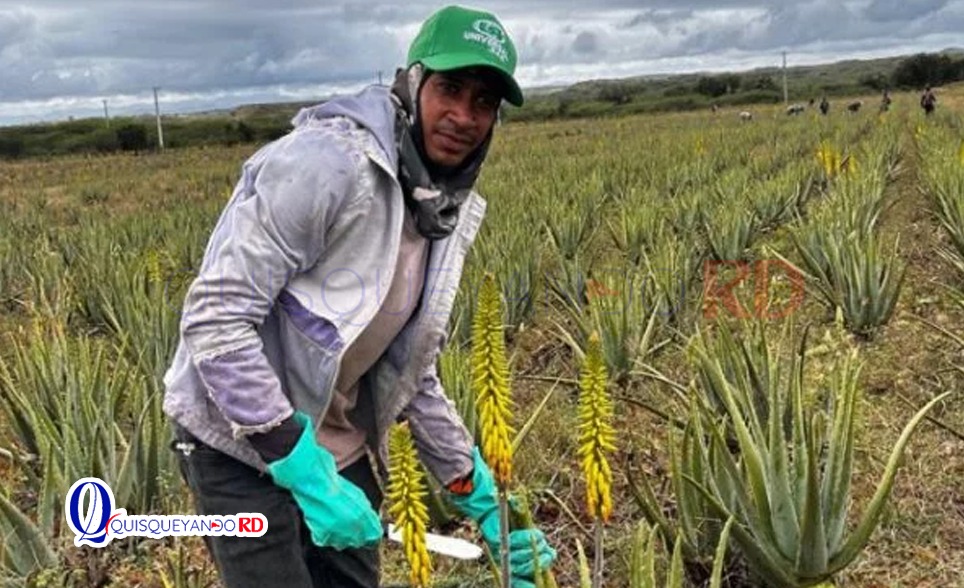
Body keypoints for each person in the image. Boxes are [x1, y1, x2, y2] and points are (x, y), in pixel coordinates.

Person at [162, 5, 556, 588]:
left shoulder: (440, 209)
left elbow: (406, 371)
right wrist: (297, 464)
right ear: (413, 80)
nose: (463, 116)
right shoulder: (327, 164)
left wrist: (480, 496)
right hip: (239, 444)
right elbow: (215, 319)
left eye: (483, 102)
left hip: (338, 445)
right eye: (449, 88)